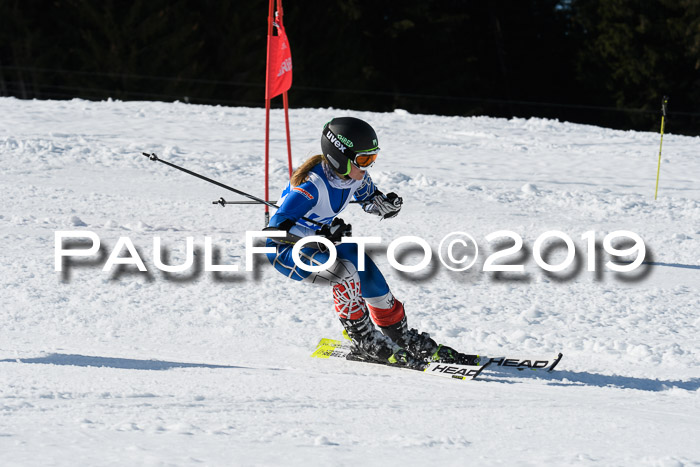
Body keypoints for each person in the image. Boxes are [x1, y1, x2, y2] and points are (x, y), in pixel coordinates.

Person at [265, 117, 475, 369]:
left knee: (359, 259)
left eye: (372, 159)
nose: (368, 167)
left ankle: (399, 334)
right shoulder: (311, 187)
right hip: (286, 251)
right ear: (339, 157)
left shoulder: (355, 177)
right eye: (364, 160)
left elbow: (369, 199)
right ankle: (362, 339)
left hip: (319, 244)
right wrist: (321, 236)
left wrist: (384, 206)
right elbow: (274, 232)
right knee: (343, 272)